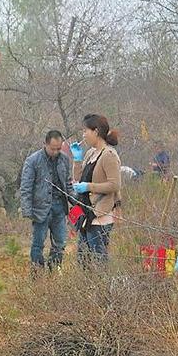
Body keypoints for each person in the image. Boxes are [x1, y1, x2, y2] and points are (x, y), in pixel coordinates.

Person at [69, 114, 122, 266]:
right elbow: (79, 178)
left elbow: (115, 185)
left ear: (96, 131)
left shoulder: (109, 155)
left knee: (99, 261)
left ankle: (101, 289)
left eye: (85, 131)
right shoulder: (90, 153)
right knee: (83, 261)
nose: (83, 135)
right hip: (86, 215)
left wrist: (89, 187)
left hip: (100, 216)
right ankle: (87, 289)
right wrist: (77, 160)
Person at [19, 130, 72, 270]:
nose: (55, 152)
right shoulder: (33, 160)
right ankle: (37, 274)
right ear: (45, 144)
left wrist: (76, 201)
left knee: (60, 243)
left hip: (60, 207)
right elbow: (25, 187)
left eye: (58, 148)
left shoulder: (64, 159)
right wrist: (27, 210)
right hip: (40, 209)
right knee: (38, 243)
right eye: (53, 148)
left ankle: (53, 272)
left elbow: (68, 183)